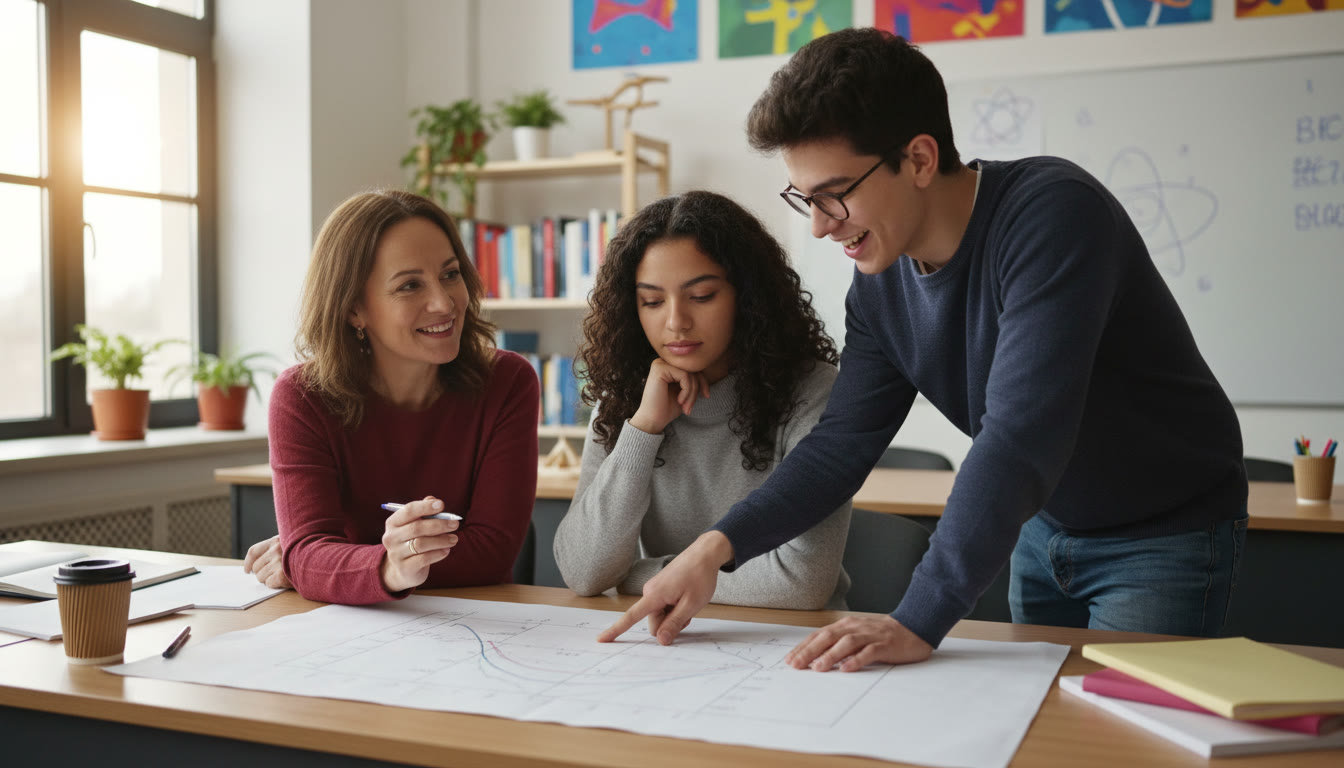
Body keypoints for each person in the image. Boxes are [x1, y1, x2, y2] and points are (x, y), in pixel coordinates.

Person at [598, 29, 1248, 671]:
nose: (821, 225)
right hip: (1041, 525)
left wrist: (919, 617)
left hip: (1160, 532)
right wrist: (713, 550)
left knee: (1120, 739)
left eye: (835, 193)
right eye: (805, 198)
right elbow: (840, 445)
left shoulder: (1053, 216)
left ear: (918, 159)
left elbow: (1020, 436)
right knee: (1048, 725)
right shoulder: (879, 285)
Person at [553, 191, 851, 610]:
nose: (675, 321)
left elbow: (801, 583)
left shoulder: (812, 392)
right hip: (669, 646)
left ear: (747, 298)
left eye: (702, 296)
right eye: (652, 302)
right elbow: (583, 571)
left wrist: (642, 576)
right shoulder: (626, 396)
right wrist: (644, 429)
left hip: (790, 641)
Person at [242, 189, 539, 604]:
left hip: (476, 626)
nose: (444, 302)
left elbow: (492, 552)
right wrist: (376, 565)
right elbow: (309, 554)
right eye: (410, 285)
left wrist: (336, 567)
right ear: (353, 310)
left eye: (450, 274)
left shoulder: (508, 381)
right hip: (352, 635)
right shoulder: (302, 397)